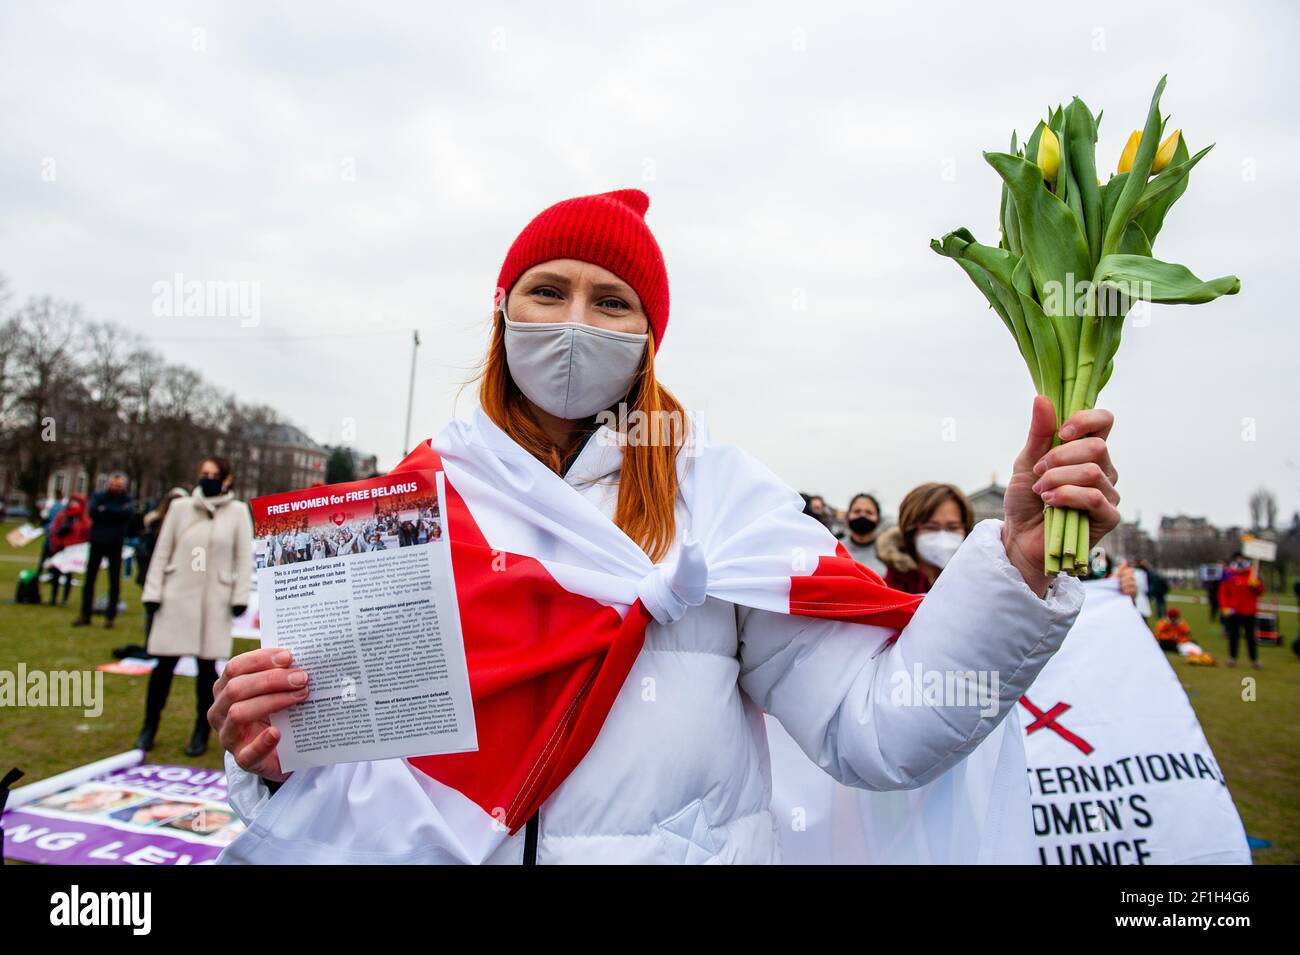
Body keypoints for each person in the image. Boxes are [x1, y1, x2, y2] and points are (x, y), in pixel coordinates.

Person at [209, 188, 1122, 865]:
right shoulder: (397, 519)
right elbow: (346, 763)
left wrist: (1015, 567)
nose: (574, 322)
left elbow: (877, 729)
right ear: (501, 313)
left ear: (650, 337)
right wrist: (273, 755)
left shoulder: (722, 511)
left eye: (611, 302)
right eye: (546, 291)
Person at [138, 457, 253, 756]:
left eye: (214, 475)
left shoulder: (238, 512)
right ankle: (149, 726)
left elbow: (243, 557)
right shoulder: (180, 508)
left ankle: (201, 730)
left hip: (214, 599)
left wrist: (240, 596)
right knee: (163, 667)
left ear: (227, 479)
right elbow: (162, 551)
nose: (208, 478)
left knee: (207, 672)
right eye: (204, 473)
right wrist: (152, 592)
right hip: (177, 595)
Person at [876, 483, 975, 594]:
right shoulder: (887, 589)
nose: (943, 537)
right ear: (911, 532)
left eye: (953, 527)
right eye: (931, 527)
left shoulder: (979, 585)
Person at [73, 472, 134, 629]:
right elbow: (93, 512)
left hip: (115, 543)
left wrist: (106, 511)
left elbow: (126, 514)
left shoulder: (126, 500)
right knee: (90, 580)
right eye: (114, 485)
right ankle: (85, 614)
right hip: (97, 541)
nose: (116, 488)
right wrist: (114, 512)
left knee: (114, 581)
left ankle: (110, 617)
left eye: (119, 486)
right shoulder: (99, 497)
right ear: (108, 484)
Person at [1218, 552, 1265, 669]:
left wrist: (1256, 585)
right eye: (1238, 559)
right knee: (1233, 636)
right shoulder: (1229, 575)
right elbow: (1223, 593)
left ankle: (1254, 660)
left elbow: (1260, 592)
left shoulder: (1253, 574)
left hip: (1249, 611)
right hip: (1234, 612)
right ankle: (1232, 658)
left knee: (1251, 637)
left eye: (1242, 559)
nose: (1240, 561)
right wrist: (1225, 607)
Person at [45, 493, 90, 605]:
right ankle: (53, 598)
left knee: (69, 575)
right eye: (72, 502)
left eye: (76, 502)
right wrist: (56, 545)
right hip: (60, 548)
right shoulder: (62, 515)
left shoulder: (82, 519)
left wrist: (77, 546)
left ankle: (64, 599)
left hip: (73, 550)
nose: (74, 504)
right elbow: (54, 531)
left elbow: (85, 534)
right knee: (55, 574)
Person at [841, 492, 887, 577]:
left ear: (878, 518)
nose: (862, 515)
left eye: (869, 512)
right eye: (857, 511)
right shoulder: (836, 549)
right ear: (848, 516)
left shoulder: (890, 552)